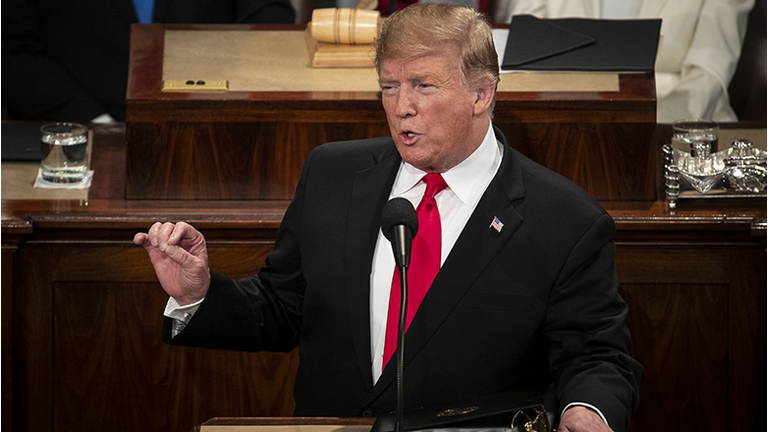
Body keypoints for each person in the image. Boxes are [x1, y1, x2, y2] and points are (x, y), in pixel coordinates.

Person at [134, 4, 641, 432]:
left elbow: (598, 355)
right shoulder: (332, 174)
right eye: (389, 87)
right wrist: (198, 292)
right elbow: (283, 307)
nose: (402, 108)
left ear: (482, 94)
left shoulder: (565, 219)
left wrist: (586, 411)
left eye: (423, 85)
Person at [2, 0, 295, 123]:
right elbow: (13, 51)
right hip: (78, 132)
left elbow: (270, 24)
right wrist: (94, 124)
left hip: (210, 129)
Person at [493, 0, 755, 122]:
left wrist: (634, 125)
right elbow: (520, 65)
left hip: (677, 131)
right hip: (563, 126)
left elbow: (707, 81)